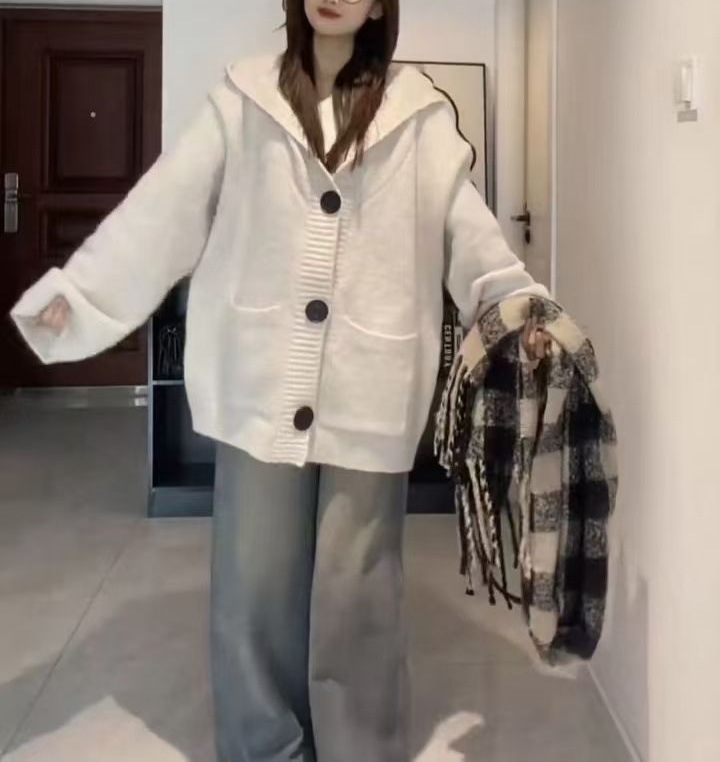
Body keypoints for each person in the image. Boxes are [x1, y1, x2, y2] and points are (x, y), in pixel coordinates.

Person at [10, 1, 551, 760]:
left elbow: (471, 238)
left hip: (371, 382)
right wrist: (84, 294)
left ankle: (359, 744)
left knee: (357, 588)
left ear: (380, 5)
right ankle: (264, 744)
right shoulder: (244, 97)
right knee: (253, 583)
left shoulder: (419, 114)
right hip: (260, 378)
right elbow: (163, 210)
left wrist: (517, 307)